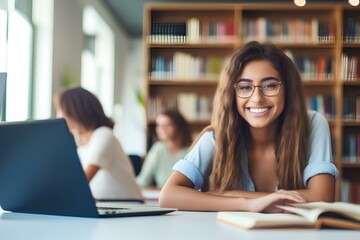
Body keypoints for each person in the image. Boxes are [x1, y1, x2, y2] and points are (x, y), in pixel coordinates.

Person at [159, 41, 339, 212]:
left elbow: (321, 198)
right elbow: (168, 195)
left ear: (288, 90)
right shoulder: (217, 138)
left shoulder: (313, 125)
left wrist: (227, 195)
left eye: (269, 85)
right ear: (232, 94)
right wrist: (247, 204)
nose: (257, 98)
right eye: (245, 87)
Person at [54, 86, 142, 201]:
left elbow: (81, 182)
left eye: (60, 110)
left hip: (127, 206)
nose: (58, 116)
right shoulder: (82, 148)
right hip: (104, 205)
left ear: (75, 112)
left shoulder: (104, 134)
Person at [136, 109, 192, 189]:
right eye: (158, 125)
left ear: (179, 126)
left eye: (167, 125)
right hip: (162, 198)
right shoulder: (158, 149)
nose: (161, 129)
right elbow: (143, 181)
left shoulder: (191, 151)